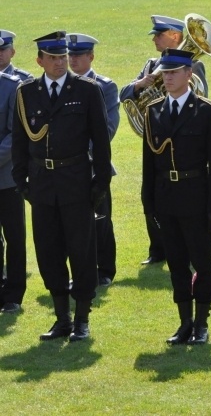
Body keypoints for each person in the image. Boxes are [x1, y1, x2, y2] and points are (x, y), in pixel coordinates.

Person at [12, 31, 112, 342]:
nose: (59, 63)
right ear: (39, 60)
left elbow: (101, 139)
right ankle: (62, 319)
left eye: (63, 57)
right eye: (53, 58)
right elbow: (20, 141)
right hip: (42, 185)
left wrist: (100, 183)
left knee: (81, 252)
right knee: (48, 252)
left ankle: (82, 319)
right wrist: (21, 181)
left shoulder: (86, 90)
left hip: (76, 183)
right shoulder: (27, 92)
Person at [141, 48, 211, 345]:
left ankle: (202, 323)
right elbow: (149, 162)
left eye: (173, 72)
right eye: (164, 73)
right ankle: (185, 323)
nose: (167, 78)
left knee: (202, 262)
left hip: (196, 197)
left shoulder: (207, 111)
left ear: (188, 74)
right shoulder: (153, 111)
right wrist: (148, 203)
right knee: (177, 263)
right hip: (167, 197)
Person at [120, 15, 185, 266]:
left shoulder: (192, 65)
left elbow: (199, 96)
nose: (154, 39)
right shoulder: (150, 65)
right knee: (151, 193)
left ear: (175, 36)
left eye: (159, 35)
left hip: (181, 141)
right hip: (154, 139)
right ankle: (157, 249)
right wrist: (140, 85)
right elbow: (124, 94)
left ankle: (184, 247)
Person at [67, 33, 120, 287]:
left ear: (91, 57)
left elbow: (107, 128)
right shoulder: (63, 85)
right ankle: (78, 270)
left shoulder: (105, 86)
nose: (73, 60)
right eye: (71, 55)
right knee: (70, 222)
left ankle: (104, 269)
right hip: (67, 167)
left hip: (92, 164)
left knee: (101, 220)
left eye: (79, 55)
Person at [0, 30, 26, 313]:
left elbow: (15, 133)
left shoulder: (12, 86)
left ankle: (13, 295)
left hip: (7, 177)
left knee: (14, 237)